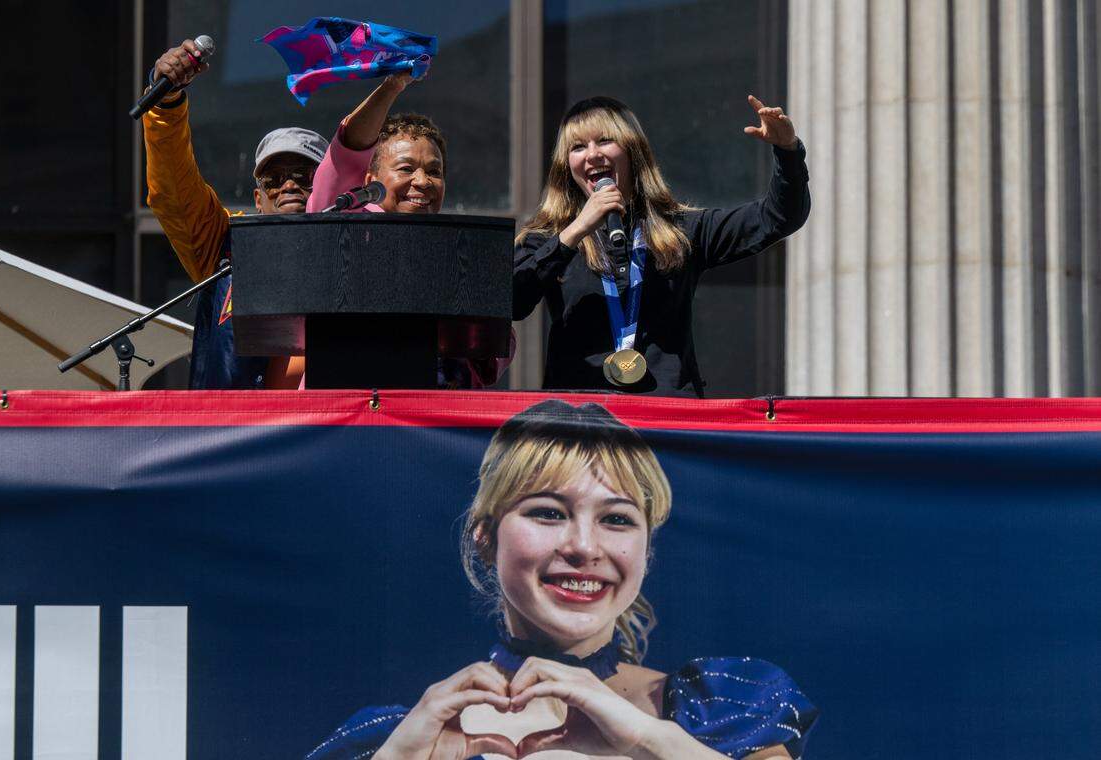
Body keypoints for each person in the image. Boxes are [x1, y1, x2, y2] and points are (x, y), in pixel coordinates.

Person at [306, 400, 817, 760]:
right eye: (549, 513)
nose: (583, 547)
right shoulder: (399, 736)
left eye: (616, 519)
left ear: (646, 549)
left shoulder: (723, 707)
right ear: (485, 536)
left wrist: (645, 739)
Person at [513, 96, 810, 397]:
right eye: (578, 147)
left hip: (665, 424)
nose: (592, 155)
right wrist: (574, 232)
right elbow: (512, 301)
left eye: (605, 141)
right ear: (566, 166)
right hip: (580, 425)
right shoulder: (548, 238)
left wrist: (787, 151)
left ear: (632, 151)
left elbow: (778, 218)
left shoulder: (681, 230)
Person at [300, 74, 513, 389]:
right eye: (405, 168)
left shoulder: (462, 250)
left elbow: (494, 348)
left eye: (434, 171)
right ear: (370, 177)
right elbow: (348, 150)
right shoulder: (348, 225)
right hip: (345, 417)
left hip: (437, 417)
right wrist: (391, 87)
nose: (423, 182)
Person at [143, 38, 332, 389]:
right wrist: (165, 104)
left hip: (326, 435)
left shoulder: (349, 251)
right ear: (258, 200)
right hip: (233, 436)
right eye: (274, 179)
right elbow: (173, 192)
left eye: (303, 177)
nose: (288, 186)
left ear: (325, 188)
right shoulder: (226, 245)